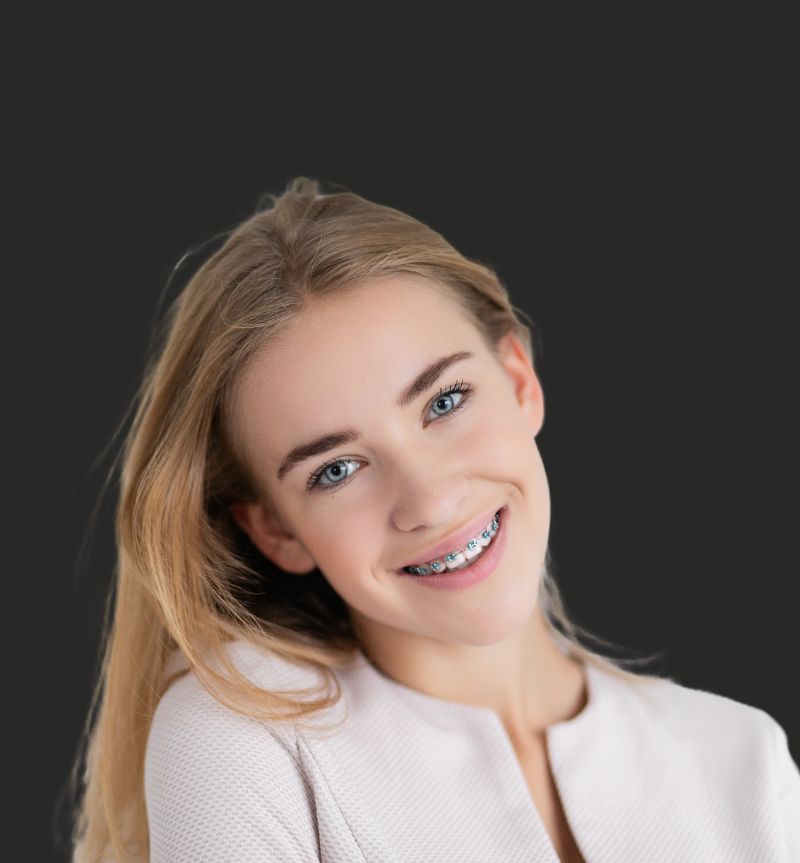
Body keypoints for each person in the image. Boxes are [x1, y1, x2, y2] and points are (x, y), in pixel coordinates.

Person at [69, 178, 799, 862]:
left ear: (518, 379)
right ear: (276, 531)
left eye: (444, 401)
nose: (430, 501)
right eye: (335, 469)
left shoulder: (740, 759)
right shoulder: (241, 737)